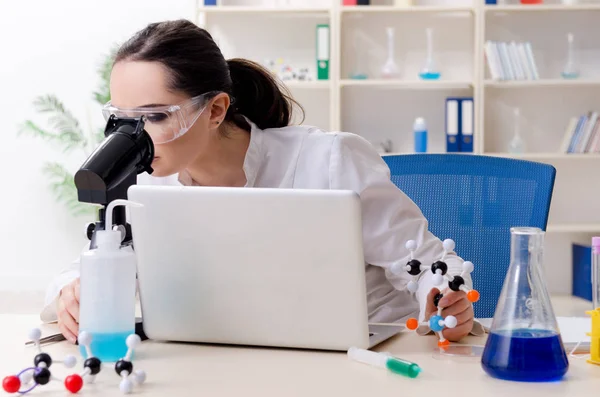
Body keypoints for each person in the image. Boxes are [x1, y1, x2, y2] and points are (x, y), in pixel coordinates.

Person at [41, 19, 481, 345]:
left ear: (214, 110)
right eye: (123, 118)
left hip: (364, 357)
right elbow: (81, 272)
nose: (135, 136)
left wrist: (444, 299)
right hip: (240, 359)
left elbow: (424, 266)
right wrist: (73, 293)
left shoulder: (328, 160)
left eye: (155, 116)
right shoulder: (152, 189)